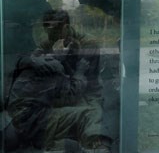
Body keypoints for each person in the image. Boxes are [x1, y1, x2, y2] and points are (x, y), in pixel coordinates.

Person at [7, 9, 112, 153]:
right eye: (47, 29)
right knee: (72, 118)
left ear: (66, 27)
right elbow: (30, 60)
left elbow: (80, 83)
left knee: (92, 113)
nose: (51, 35)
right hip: (57, 96)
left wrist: (56, 62)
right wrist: (36, 61)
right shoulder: (49, 43)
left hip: (83, 92)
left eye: (55, 29)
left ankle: (95, 145)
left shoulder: (87, 44)